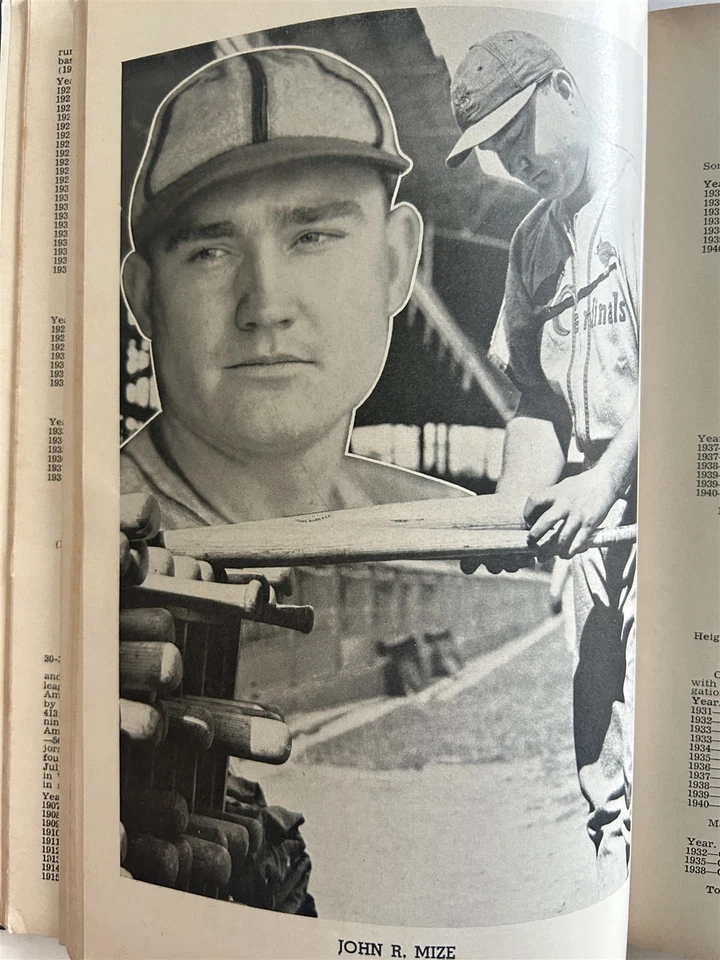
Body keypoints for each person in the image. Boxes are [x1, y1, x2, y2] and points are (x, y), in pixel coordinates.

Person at [121, 46, 468, 528]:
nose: (266, 307)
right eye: (210, 252)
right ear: (144, 296)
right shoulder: (86, 538)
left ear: (396, 263)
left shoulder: (452, 538)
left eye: (312, 238)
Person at [447, 31, 639, 896]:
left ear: (566, 88)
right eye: (496, 149)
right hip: (594, 518)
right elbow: (537, 400)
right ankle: (611, 879)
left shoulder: (654, 199)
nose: (515, 161)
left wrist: (603, 483)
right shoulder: (531, 246)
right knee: (599, 719)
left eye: (519, 131)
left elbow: (692, 369)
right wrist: (510, 510)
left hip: (679, 501)